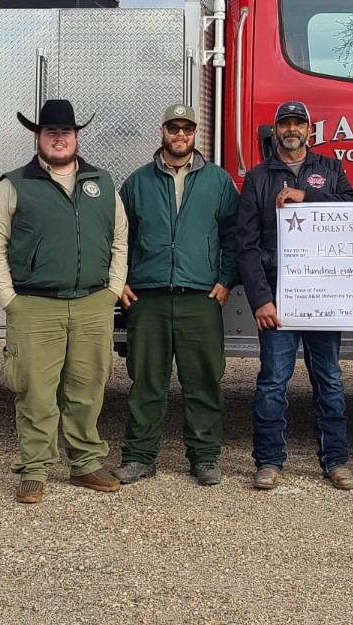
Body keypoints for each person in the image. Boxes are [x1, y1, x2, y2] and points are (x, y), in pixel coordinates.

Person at [0, 99, 129, 504]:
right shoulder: (13, 184)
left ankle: (85, 463)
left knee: (88, 388)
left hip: (92, 304)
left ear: (77, 137)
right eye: (51, 132)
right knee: (35, 392)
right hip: (34, 306)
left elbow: (119, 238)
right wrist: (8, 298)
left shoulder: (102, 182)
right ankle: (34, 470)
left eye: (66, 132)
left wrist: (113, 289)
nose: (59, 138)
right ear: (38, 137)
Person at [237, 100, 353, 492]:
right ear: (275, 130)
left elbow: (352, 213)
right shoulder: (258, 178)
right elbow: (246, 244)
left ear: (310, 129)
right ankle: (269, 461)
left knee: (330, 380)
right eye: (284, 123)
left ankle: (336, 461)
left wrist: (306, 196)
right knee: (273, 381)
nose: (292, 129)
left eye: (298, 123)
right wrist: (261, 299)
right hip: (279, 299)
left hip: (323, 296)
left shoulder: (330, 169)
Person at [113, 104, 240, 487]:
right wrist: (120, 281)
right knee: (146, 381)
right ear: (162, 131)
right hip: (148, 297)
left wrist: (226, 280)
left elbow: (234, 236)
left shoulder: (218, 181)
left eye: (186, 128)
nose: (180, 135)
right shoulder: (137, 182)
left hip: (199, 298)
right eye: (173, 128)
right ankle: (138, 457)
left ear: (195, 133)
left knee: (203, 381)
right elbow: (120, 237)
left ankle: (204, 457)